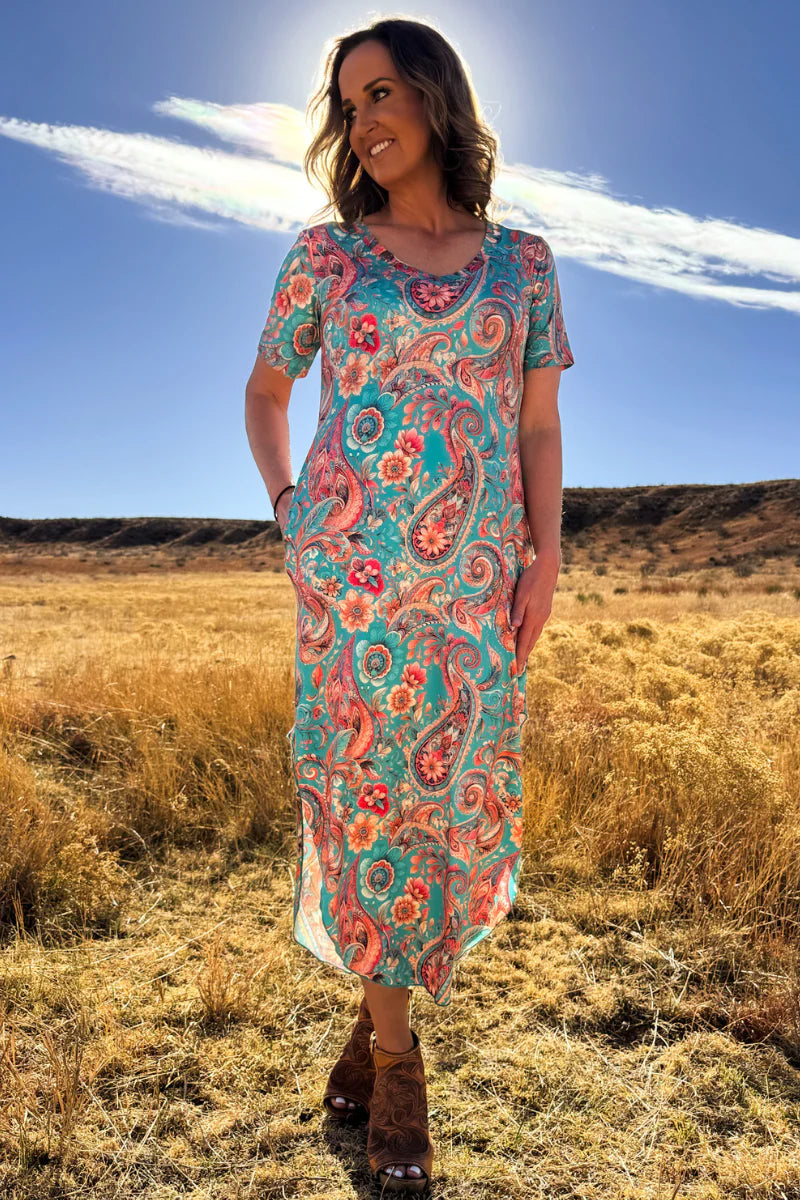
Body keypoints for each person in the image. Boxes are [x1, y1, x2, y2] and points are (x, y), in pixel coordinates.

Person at [244, 16, 574, 1192]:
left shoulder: (523, 264)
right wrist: (293, 511)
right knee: (368, 808)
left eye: (381, 92)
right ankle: (396, 1067)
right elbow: (266, 393)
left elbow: (537, 427)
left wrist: (543, 557)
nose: (364, 121)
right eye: (348, 105)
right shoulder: (325, 258)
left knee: (439, 813)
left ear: (435, 93)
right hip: (354, 590)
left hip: (475, 588)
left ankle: (369, 1016)